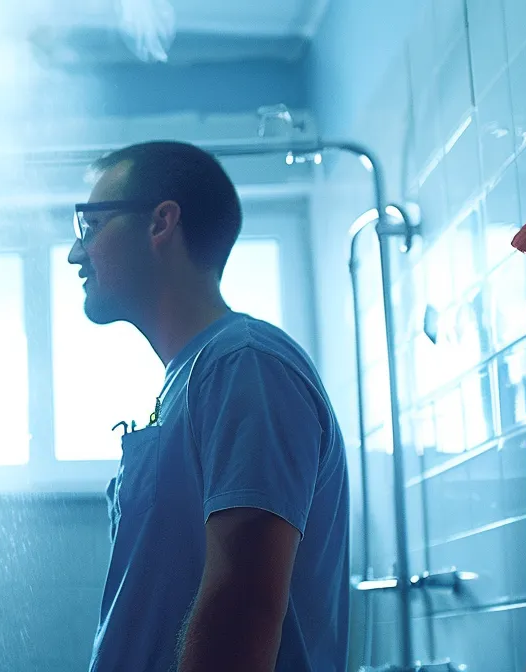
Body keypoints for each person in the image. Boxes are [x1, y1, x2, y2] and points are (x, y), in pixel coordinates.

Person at [70, 142, 349, 671]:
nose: (75, 253)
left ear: (160, 224)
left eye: (93, 225)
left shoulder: (245, 364)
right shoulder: (195, 378)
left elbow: (240, 609)